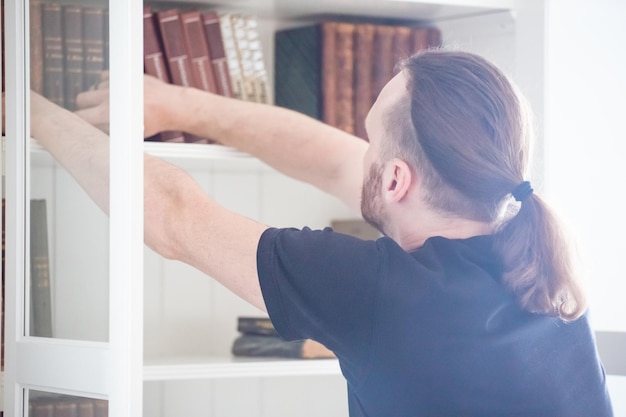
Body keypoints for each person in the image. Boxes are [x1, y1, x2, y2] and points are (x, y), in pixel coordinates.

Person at [30, 49, 613, 416]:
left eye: (373, 143)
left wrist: (30, 112)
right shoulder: (541, 270)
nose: (359, 156)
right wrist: (177, 104)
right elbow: (332, 160)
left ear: (394, 181)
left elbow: (172, 215)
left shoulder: (378, 290)